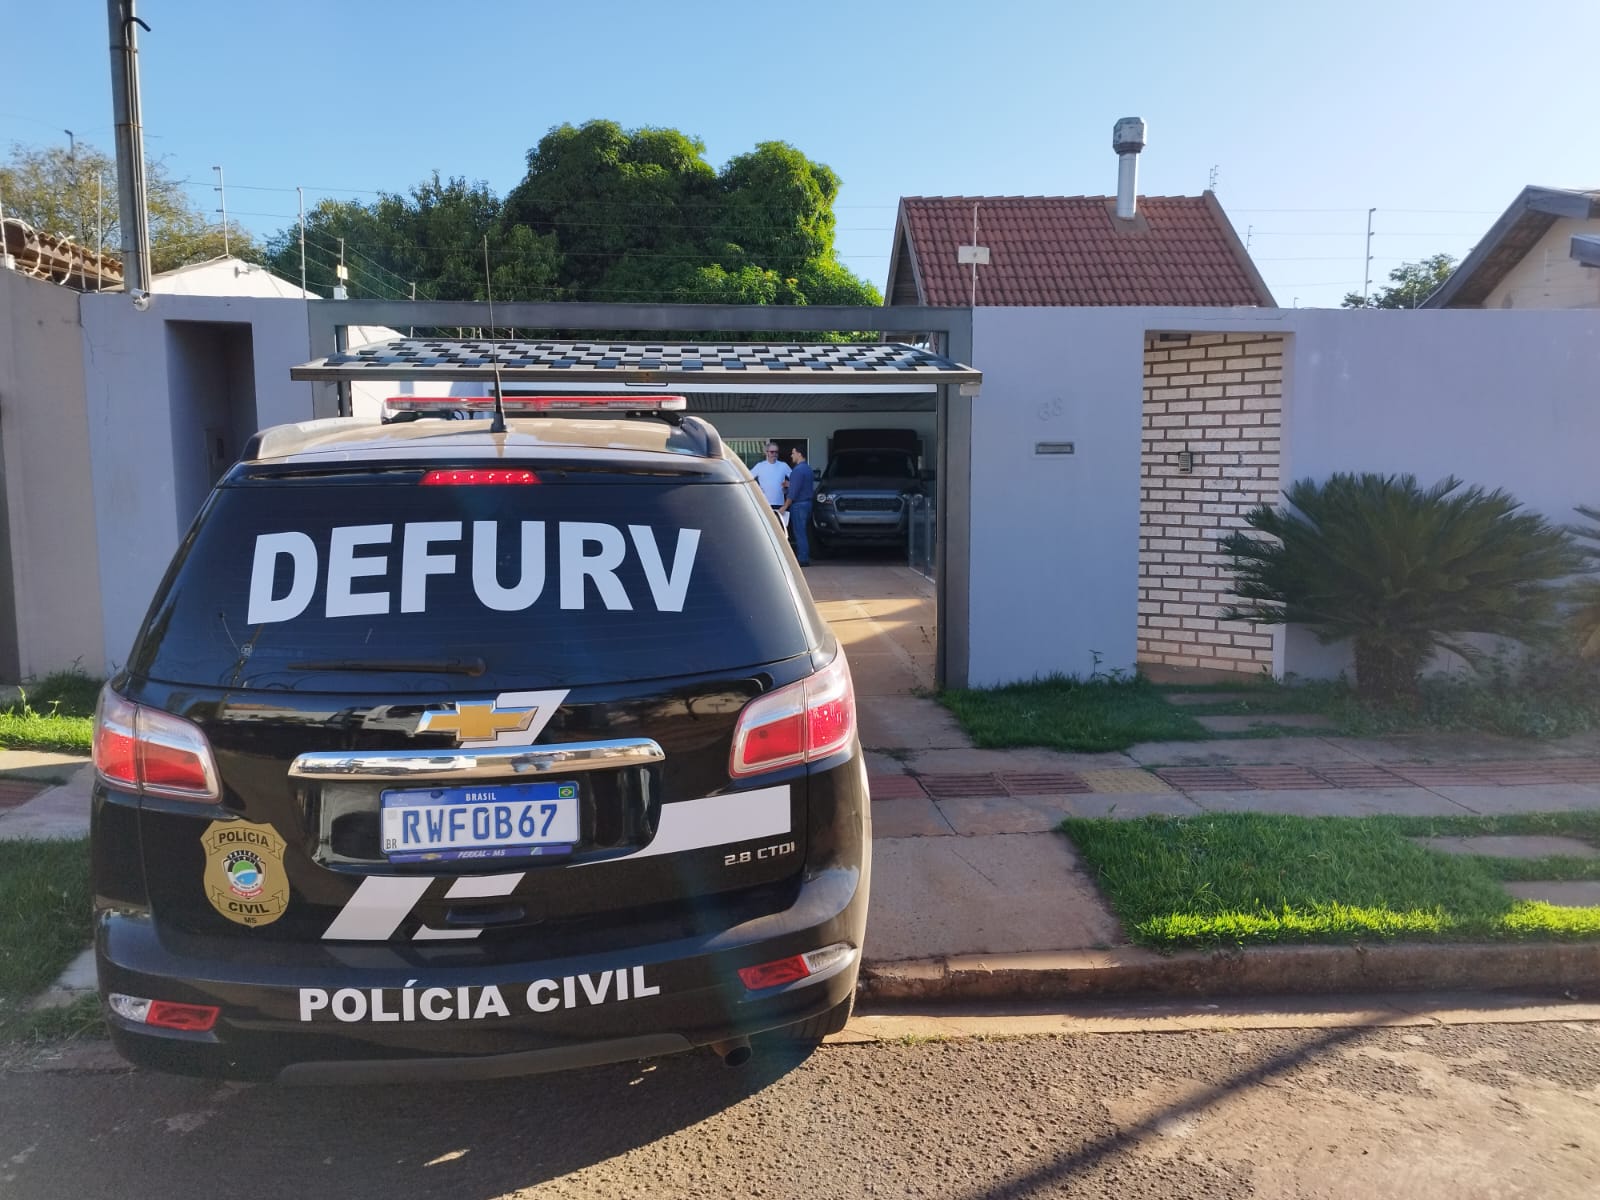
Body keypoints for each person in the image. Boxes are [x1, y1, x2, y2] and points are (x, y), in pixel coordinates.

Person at [781, 445, 816, 566]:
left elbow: (793, 492)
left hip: (799, 505)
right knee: (803, 531)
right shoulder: (808, 469)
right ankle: (804, 556)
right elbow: (801, 486)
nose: (791, 455)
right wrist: (790, 484)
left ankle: (803, 559)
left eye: (793, 453)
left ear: (799, 454)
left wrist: (785, 506)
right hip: (807, 504)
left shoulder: (797, 470)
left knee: (799, 532)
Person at [750, 441, 791, 528]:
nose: (774, 454)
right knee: (765, 527)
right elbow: (748, 479)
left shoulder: (783, 466)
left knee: (780, 529)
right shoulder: (760, 466)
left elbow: (796, 480)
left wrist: (788, 485)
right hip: (764, 503)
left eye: (776, 452)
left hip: (779, 504)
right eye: (772, 452)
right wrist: (756, 488)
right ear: (767, 453)